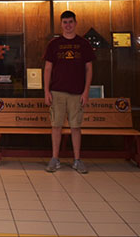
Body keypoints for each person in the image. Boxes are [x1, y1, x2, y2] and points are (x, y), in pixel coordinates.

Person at [44, 10, 95, 174]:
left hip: (77, 93)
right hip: (57, 92)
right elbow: (48, 69)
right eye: (65, 22)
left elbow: (89, 69)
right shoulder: (54, 44)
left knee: (76, 127)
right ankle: (54, 159)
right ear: (61, 25)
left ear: (75, 23)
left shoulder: (83, 44)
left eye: (70, 22)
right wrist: (46, 91)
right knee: (56, 126)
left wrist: (86, 91)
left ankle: (77, 160)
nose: (68, 25)